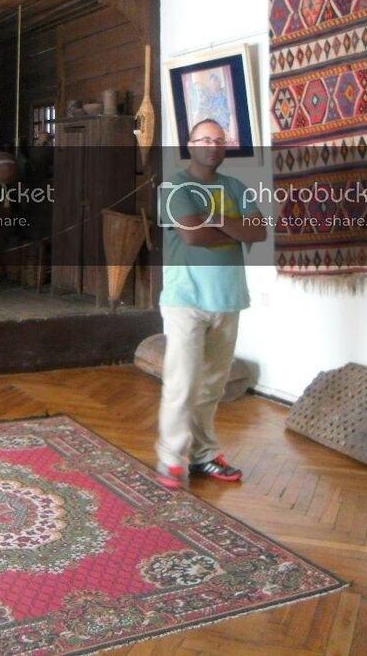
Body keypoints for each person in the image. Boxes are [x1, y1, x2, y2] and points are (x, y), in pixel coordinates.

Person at [157, 118, 266, 488]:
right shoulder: (175, 186)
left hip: (228, 298)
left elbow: (258, 231)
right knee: (183, 383)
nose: (212, 145)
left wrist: (214, 217)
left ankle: (204, 455)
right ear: (190, 145)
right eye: (204, 139)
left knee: (212, 387)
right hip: (185, 299)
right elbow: (192, 235)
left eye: (219, 140)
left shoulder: (236, 187)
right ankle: (171, 460)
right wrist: (232, 226)